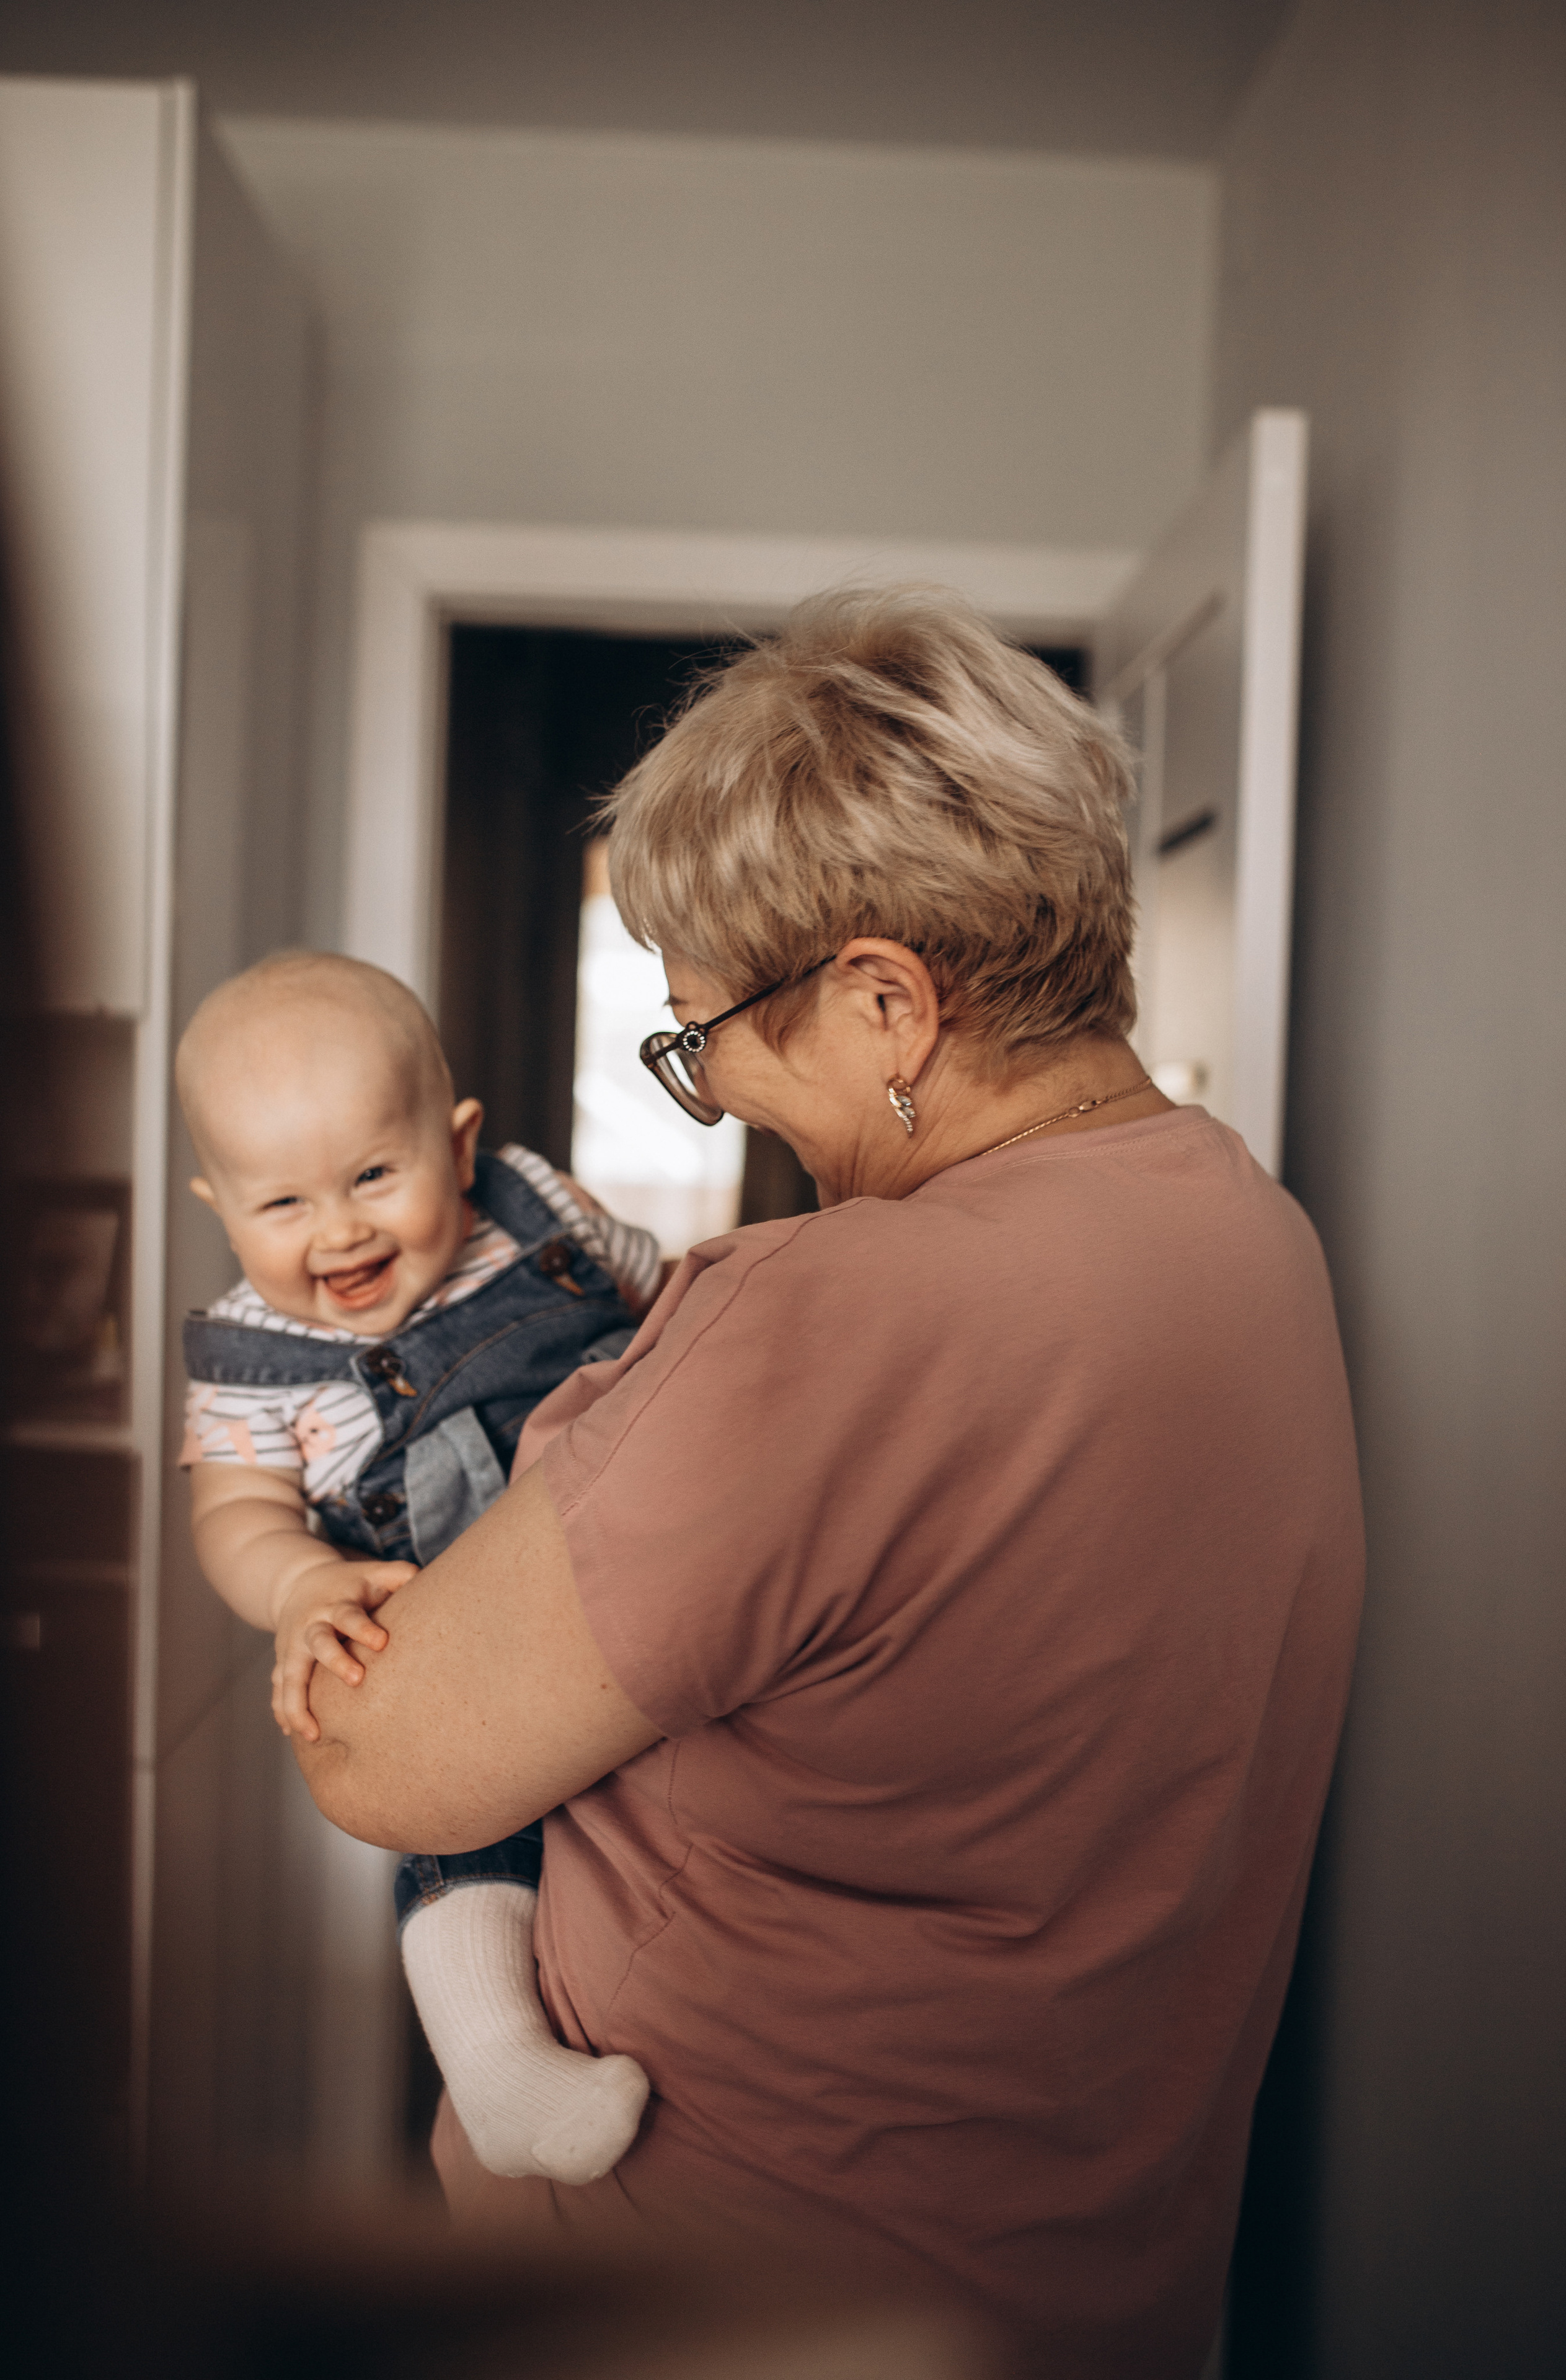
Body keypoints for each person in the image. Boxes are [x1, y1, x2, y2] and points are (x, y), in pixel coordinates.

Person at [290, 590, 1365, 2378]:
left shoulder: (821, 1319)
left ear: (886, 1001)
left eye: (709, 1035)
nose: (716, 1102)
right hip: (1103, 2301)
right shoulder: (1257, 1239)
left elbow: (388, 1753)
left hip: (713, 2305)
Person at [177, 951, 655, 2183]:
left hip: (638, 1572)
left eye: (374, 1175)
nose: (337, 1229)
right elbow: (232, 1511)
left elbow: (669, 1307)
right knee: (462, 1826)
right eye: (280, 1205)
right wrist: (294, 1581)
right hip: (458, 1650)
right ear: (217, 1204)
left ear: (459, 1143)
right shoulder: (251, 1357)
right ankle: (494, 2063)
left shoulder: (539, 1208)